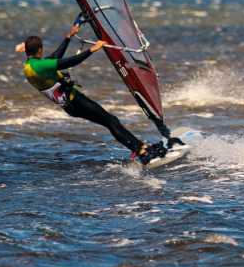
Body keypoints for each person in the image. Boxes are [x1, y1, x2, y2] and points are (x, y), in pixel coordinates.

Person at [18, 23, 167, 164]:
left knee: (110, 122)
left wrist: (68, 37)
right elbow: (69, 62)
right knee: (111, 121)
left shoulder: (30, 67)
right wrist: (92, 50)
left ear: (27, 51)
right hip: (75, 101)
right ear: (40, 50)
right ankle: (142, 152)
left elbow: (55, 57)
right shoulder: (40, 66)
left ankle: (140, 148)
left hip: (70, 106)